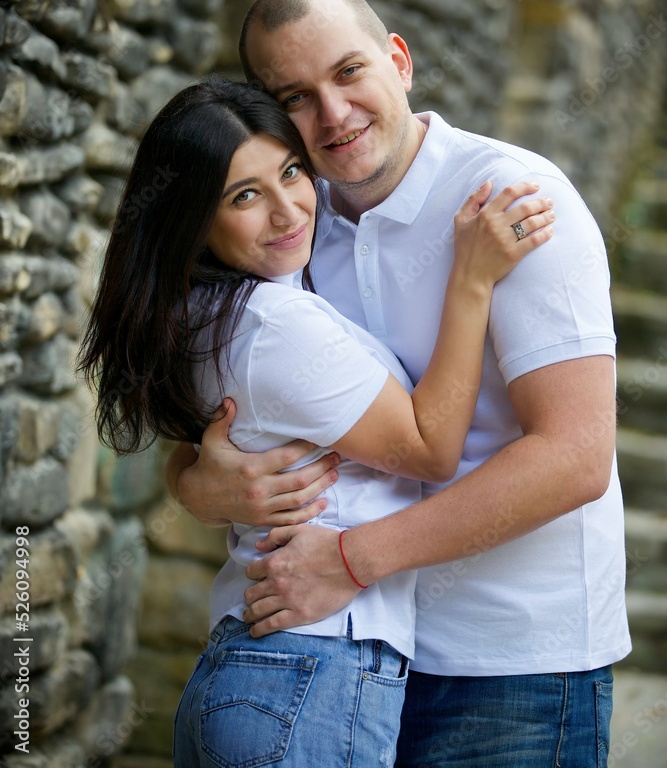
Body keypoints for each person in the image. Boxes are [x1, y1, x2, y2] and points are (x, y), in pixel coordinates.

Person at [169, 0, 631, 768]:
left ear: (399, 62)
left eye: (348, 73)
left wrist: (352, 560)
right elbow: (226, 405)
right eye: (298, 97)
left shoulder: (513, 200)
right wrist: (195, 485)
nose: (334, 114)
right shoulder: (291, 224)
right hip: (348, 659)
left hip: (512, 663)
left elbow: (575, 456)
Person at [78, 76, 552, 767]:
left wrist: (190, 483)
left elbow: (204, 448)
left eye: (291, 172)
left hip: (265, 672)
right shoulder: (274, 322)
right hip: (311, 672)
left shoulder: (212, 313)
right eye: (244, 196)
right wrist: (471, 280)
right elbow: (428, 446)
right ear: (193, 220)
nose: (288, 211)